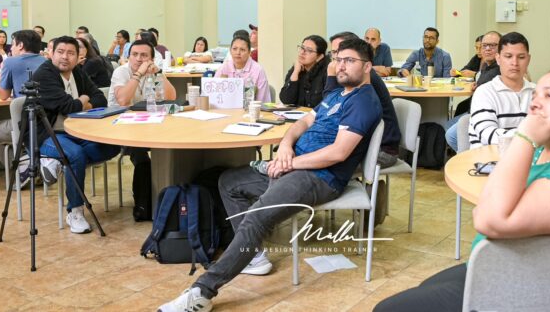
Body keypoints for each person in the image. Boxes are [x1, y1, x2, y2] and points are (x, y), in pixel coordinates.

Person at [374, 67, 550, 312]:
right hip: (511, 265)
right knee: (425, 288)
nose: (535, 104)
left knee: (388, 309)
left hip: (527, 289)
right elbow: (490, 199)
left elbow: (488, 219)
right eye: (535, 96)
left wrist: (525, 137)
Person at [158, 38, 382, 312]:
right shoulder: (337, 94)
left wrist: (290, 164)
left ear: (367, 66)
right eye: (339, 59)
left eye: (350, 60)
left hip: (320, 177)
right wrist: (285, 146)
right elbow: (303, 121)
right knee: (229, 181)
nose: (341, 65)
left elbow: (338, 153)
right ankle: (253, 254)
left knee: (258, 216)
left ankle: (202, 292)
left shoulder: (363, 101)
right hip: (295, 164)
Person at [31, 36, 121, 234]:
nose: (65, 57)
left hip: (78, 131)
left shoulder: (77, 72)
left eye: (71, 53)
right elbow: (69, 107)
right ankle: (75, 211)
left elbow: (100, 98)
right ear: (51, 53)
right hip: (48, 133)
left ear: (79, 56)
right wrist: (84, 99)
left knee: (113, 145)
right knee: (75, 155)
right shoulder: (44, 75)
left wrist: (83, 101)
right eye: (60, 52)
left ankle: (58, 161)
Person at [108, 39, 177, 221]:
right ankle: (143, 205)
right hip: (121, 128)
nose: (139, 59)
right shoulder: (121, 72)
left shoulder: (153, 72)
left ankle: (168, 200)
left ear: (151, 59)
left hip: (147, 126)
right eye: (135, 55)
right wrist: (138, 74)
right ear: (128, 56)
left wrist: (159, 74)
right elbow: (123, 100)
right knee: (142, 158)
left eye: (144, 55)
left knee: (173, 147)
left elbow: (171, 97)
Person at [326, 32, 401, 168]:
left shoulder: (360, 78)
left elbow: (329, 111)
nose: (337, 60)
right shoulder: (350, 74)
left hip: (381, 150)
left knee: (321, 161)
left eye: (345, 56)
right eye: (335, 54)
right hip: (364, 144)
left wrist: (331, 76)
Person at [0, 30, 47, 179]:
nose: (11, 48)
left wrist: (0, 74)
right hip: (47, 122)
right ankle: (31, 164)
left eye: (13, 44)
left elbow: (3, 95)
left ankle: (21, 168)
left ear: (21, 45)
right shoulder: (46, 61)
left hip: (24, 123)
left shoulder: (10, 62)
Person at [466, 32, 535, 149]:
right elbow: (488, 135)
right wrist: (532, 136)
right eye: (508, 56)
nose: (515, 63)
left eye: (521, 57)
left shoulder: (539, 93)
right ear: (498, 59)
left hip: (530, 158)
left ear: (528, 59)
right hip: (489, 158)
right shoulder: (484, 92)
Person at [445, 31, 502, 147]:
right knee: (449, 126)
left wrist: (478, 82)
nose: (487, 49)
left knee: (451, 135)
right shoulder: (485, 64)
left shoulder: (500, 68)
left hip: (486, 116)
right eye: (484, 46)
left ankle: (469, 155)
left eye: (492, 45)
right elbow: (472, 75)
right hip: (475, 111)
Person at [215, 34, 271, 102]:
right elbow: (214, 94)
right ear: (230, 50)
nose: (238, 53)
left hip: (250, 108)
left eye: (242, 50)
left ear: (249, 52)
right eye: (234, 49)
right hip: (226, 107)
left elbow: (263, 101)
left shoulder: (258, 70)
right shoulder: (223, 68)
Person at [279, 35, 328, 108]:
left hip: (317, 115)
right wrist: (295, 72)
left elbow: (328, 104)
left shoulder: (327, 72)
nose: (302, 52)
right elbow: (286, 100)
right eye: (302, 48)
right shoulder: (296, 69)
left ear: (320, 57)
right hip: (297, 114)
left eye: (309, 50)